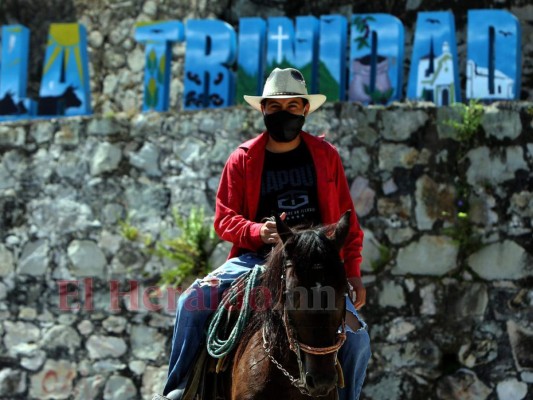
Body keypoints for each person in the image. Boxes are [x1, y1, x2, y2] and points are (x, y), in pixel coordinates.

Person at [154, 68, 371, 400]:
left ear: (305, 110)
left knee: (357, 339)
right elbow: (223, 219)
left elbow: (348, 223)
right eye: (274, 107)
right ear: (263, 110)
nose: (283, 114)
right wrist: (257, 230)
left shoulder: (326, 157)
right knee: (190, 303)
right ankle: (179, 388)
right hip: (254, 260)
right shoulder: (243, 159)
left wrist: (352, 272)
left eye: (292, 107)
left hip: (315, 265)